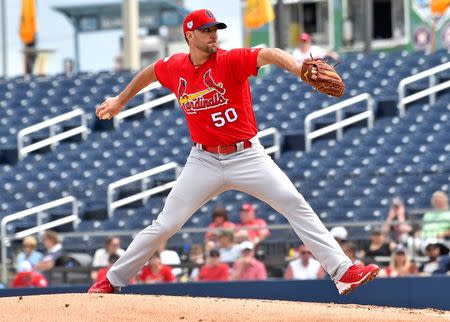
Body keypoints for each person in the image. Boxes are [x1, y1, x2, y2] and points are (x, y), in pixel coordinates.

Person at [89, 9, 379, 295]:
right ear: (190, 35)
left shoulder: (229, 60)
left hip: (246, 155)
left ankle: (343, 272)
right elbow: (150, 72)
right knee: (166, 224)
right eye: (206, 30)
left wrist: (298, 67)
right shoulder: (175, 66)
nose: (214, 34)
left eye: (216, 29)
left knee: (294, 203)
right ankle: (111, 281)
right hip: (203, 160)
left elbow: (269, 53)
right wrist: (119, 101)